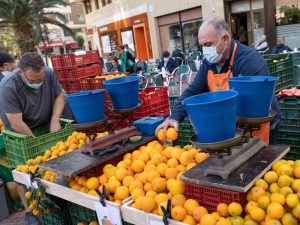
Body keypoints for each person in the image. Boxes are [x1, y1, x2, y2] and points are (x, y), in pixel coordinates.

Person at [156, 17, 281, 145]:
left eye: (208, 44)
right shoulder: (209, 63)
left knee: (259, 160)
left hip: (259, 123)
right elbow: (193, 91)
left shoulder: (249, 60)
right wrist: (174, 117)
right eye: (202, 46)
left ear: (225, 39)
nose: (205, 50)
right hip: (231, 125)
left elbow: (251, 104)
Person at [0, 52, 68, 225]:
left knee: (55, 162)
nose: (38, 83)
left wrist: (54, 120)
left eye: (41, 80)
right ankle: (30, 211)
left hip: (45, 122)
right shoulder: (8, 86)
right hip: (20, 130)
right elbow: (16, 122)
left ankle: (58, 202)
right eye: (33, 81)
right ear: (21, 73)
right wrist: (35, 142)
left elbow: (60, 96)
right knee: (23, 169)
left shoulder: (49, 74)